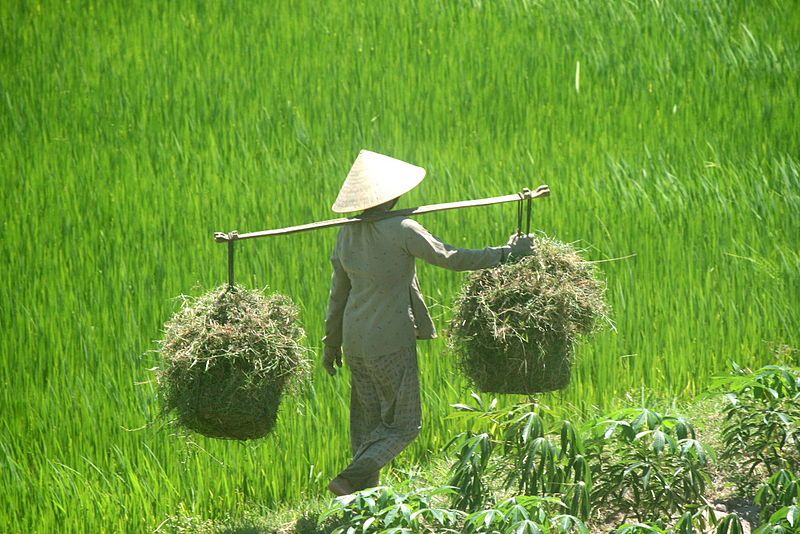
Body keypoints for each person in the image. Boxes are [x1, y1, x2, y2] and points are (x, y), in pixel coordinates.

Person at [322, 150, 533, 496]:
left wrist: (331, 343)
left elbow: (338, 294)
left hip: (355, 340)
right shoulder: (403, 228)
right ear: (393, 195)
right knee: (405, 425)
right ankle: (349, 477)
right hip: (390, 340)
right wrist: (506, 254)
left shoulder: (347, 232)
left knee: (366, 425)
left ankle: (361, 500)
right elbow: (451, 258)